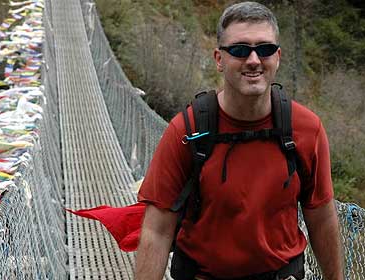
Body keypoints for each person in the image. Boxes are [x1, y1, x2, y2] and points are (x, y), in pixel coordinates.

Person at [134, 1, 344, 280]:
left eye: (265, 49)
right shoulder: (187, 130)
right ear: (219, 59)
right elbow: (157, 229)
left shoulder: (306, 129)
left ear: (278, 57)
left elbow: (321, 216)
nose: (254, 60)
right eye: (240, 50)